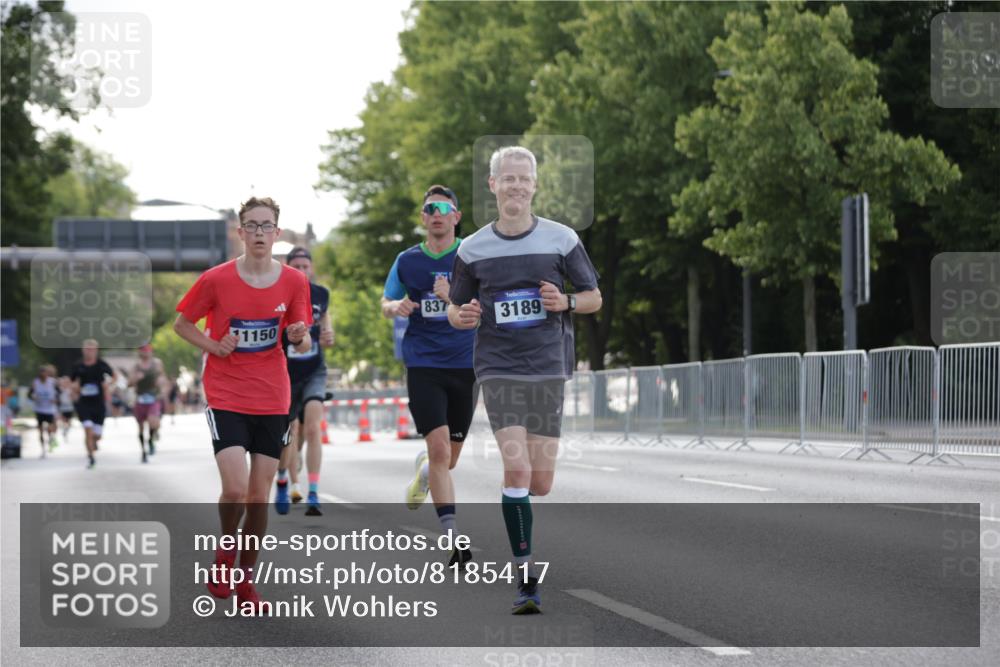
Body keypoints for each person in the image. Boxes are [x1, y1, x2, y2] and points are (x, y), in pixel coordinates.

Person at [448, 147, 602, 614]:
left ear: (534, 185)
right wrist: (464, 314)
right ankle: (526, 579)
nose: (516, 185)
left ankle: (522, 520)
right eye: (507, 178)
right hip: (497, 366)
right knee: (515, 471)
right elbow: (455, 310)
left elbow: (594, 296)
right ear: (492, 185)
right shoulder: (472, 248)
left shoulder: (561, 239)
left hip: (547, 366)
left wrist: (567, 303)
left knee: (540, 484)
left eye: (524, 178)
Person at [173, 196, 311, 615]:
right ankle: (223, 556)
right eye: (250, 226)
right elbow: (181, 323)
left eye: (266, 226)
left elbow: (300, 338)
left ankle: (246, 582)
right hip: (226, 393)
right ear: (240, 232)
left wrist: (300, 334)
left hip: (272, 397)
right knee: (234, 488)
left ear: (278, 234)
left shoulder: (293, 282)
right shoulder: (215, 279)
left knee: (257, 498)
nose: (258, 234)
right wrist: (215, 345)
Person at [381, 184, 477, 568]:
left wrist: (451, 292)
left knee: (448, 459)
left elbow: (487, 300)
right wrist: (395, 306)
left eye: (443, 207)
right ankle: (454, 540)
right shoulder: (407, 260)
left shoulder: (472, 256)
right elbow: (386, 301)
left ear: (456, 216)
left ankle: (425, 474)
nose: (435, 213)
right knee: (438, 449)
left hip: (466, 363)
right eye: (429, 208)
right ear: (423, 218)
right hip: (423, 363)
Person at [273, 246, 334, 517]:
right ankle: (283, 479)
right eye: (295, 266)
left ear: (311, 269)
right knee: (288, 434)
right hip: (285, 373)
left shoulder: (321, 294)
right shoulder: (277, 294)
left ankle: (313, 492)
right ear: (288, 269)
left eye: (305, 267)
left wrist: (329, 333)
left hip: (314, 371)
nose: (301, 271)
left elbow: (325, 321)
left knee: (312, 428)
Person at [70, 340, 117, 469]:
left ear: (96, 350)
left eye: (92, 349)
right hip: (84, 403)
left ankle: (94, 442)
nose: (89, 351)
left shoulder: (101, 365)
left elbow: (114, 377)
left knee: (97, 435)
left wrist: (108, 385)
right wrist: (74, 388)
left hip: (98, 403)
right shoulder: (78, 366)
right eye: (87, 349)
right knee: (88, 430)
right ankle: (91, 458)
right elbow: (72, 381)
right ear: (83, 350)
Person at [129, 344, 168, 463]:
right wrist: (136, 379)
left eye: (148, 350)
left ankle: (151, 440)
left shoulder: (157, 364)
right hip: (140, 398)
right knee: (140, 428)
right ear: (140, 353)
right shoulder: (135, 366)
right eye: (143, 351)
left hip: (153, 398)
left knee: (153, 421)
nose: (146, 353)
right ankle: (143, 452)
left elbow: (163, 378)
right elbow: (129, 383)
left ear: (151, 351)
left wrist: (161, 384)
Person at [29, 364, 59, 456]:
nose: (43, 375)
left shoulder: (52, 382)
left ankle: (50, 438)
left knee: (50, 428)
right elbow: (29, 394)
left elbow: (59, 393)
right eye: (41, 373)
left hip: (50, 409)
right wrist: (33, 398)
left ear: (47, 374)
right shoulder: (35, 382)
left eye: (45, 373)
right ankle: (43, 449)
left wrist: (55, 400)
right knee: (40, 431)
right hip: (39, 409)